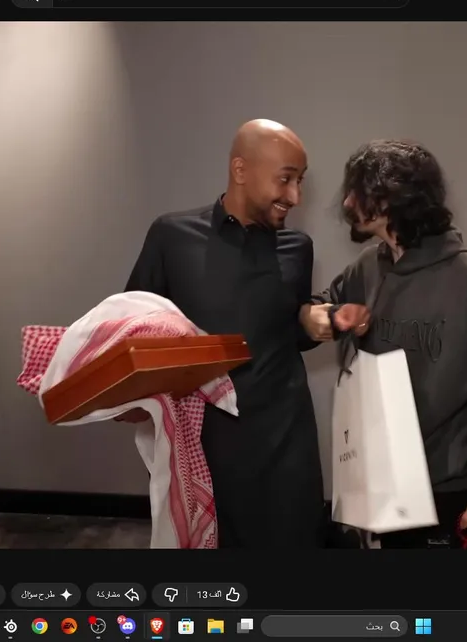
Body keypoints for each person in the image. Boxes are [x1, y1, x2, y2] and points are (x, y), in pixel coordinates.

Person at [304, 140, 467, 548]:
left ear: (395, 197)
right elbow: (325, 304)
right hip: (375, 478)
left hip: (443, 490)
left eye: (359, 190)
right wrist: (325, 316)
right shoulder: (368, 266)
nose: (348, 202)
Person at [124, 119, 342, 548]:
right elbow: (132, 328)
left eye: (300, 181)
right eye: (286, 179)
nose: (295, 197)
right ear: (240, 170)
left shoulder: (297, 248)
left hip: (286, 442)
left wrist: (312, 321)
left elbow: (287, 332)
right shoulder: (171, 236)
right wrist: (129, 397)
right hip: (205, 446)